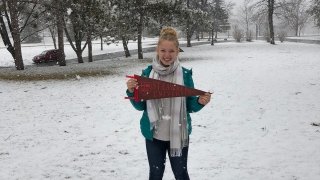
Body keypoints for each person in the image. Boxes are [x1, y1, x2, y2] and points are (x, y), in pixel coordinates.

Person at [126, 27, 211, 180]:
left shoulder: (184, 75)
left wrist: (200, 101)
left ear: (177, 51)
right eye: (163, 50)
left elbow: (190, 105)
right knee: (155, 174)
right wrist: (132, 92)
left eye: (171, 51)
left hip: (179, 134)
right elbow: (140, 106)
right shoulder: (147, 74)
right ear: (157, 51)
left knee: (181, 174)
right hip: (154, 136)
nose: (167, 55)